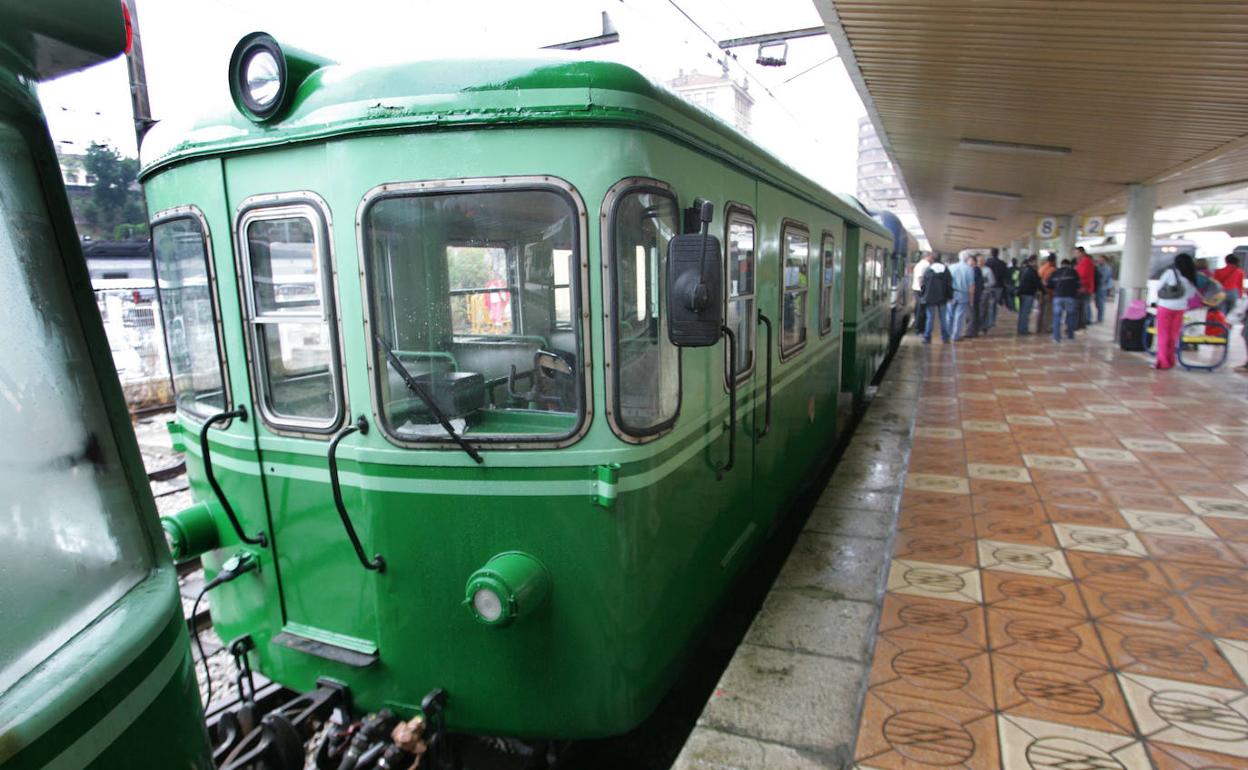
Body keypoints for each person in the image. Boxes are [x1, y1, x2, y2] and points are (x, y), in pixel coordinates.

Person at [1154, 253, 1199, 370]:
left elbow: (1158, 288)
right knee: (1173, 336)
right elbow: (1192, 294)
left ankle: (1162, 362)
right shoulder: (1192, 276)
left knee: (1163, 335)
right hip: (1180, 309)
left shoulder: (1170, 273)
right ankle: (1171, 360)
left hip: (1165, 307)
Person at [919, 255, 953, 344]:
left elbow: (923, 284)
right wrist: (950, 296)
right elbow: (949, 284)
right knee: (943, 318)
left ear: (933, 260)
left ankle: (927, 337)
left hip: (930, 298)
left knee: (930, 318)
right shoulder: (945, 270)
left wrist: (923, 295)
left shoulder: (928, 270)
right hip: (943, 297)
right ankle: (945, 337)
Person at [1046, 258, 1081, 342]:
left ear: (1061, 264)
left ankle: (1056, 337)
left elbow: (1049, 285)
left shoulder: (1055, 273)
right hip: (1070, 297)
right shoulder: (1074, 272)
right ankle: (1070, 336)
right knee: (1070, 317)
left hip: (1058, 297)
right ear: (1069, 265)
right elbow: (1078, 285)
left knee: (1056, 317)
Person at [947, 253, 975, 340]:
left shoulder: (951, 267)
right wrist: (971, 300)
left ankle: (947, 334)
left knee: (949, 315)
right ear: (967, 259)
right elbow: (971, 286)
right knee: (959, 316)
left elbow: (947, 282)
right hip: (963, 294)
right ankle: (955, 336)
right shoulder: (969, 269)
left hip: (951, 293)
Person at [1016, 255, 1041, 334]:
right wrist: (1044, 291)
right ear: (1033, 261)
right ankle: (1023, 329)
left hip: (1022, 293)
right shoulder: (1032, 271)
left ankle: (1021, 328)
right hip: (1028, 293)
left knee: (1022, 312)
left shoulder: (1023, 270)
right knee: (1025, 312)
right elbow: (1037, 282)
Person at [985, 247, 1010, 322]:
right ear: (998, 253)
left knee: (988, 303)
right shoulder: (1002, 263)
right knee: (995, 303)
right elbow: (1006, 275)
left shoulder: (987, 263)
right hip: (999, 286)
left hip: (988, 286)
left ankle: (988, 320)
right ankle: (992, 320)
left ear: (991, 253)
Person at [1074, 247, 1095, 329]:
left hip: (1084, 288)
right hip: (1083, 288)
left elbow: (1082, 276)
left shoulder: (1086, 262)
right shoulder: (1082, 262)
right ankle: (1080, 324)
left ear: (1082, 253)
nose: (1075, 255)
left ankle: (1080, 324)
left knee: (1081, 307)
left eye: (1077, 253)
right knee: (1081, 307)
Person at [911, 251, 932, 335]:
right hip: (921, 290)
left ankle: (918, 327)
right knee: (921, 310)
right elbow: (921, 278)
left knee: (918, 309)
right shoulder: (925, 265)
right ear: (927, 256)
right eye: (930, 256)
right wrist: (924, 289)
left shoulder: (919, 264)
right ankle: (919, 328)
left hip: (917, 289)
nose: (931, 258)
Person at [1036, 254, 1057, 332]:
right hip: (1048, 292)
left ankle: (1039, 327)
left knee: (1040, 311)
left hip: (1040, 292)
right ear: (1054, 260)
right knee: (1048, 311)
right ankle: (1046, 328)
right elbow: (1051, 282)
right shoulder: (1052, 269)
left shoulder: (1042, 268)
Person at [972, 254, 990, 336]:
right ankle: (976, 327)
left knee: (982, 311)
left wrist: (985, 284)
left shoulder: (987, 270)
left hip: (983, 293)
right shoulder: (973, 269)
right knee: (976, 311)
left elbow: (992, 281)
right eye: (979, 260)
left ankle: (982, 327)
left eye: (982, 260)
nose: (980, 262)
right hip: (975, 293)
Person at [1094, 255, 1114, 323]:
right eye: (1099, 259)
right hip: (1098, 287)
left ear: (1104, 260)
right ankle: (1099, 317)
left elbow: (1104, 278)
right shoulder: (1098, 267)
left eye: (1101, 259)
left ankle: (1100, 318)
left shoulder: (1107, 268)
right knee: (1097, 303)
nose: (1099, 261)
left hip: (1102, 287)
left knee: (1101, 303)